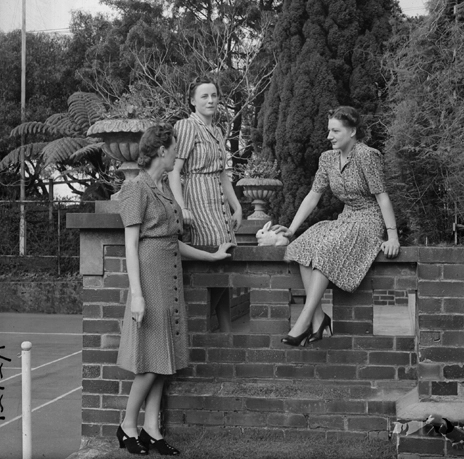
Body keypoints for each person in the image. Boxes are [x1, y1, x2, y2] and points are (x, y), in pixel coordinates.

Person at [116, 123, 233, 455]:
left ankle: (152, 429)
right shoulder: (136, 188)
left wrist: (211, 257)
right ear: (162, 150)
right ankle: (127, 425)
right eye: (175, 148)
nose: (178, 154)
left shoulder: (164, 189)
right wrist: (137, 294)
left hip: (170, 280)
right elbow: (131, 245)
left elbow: (172, 242)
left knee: (163, 359)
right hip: (150, 282)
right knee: (151, 361)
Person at [272, 106, 400, 347]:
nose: (329, 135)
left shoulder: (367, 155)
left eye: (335, 130)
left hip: (369, 220)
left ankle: (304, 321)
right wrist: (291, 228)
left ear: (352, 131)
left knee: (328, 249)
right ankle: (319, 318)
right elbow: (313, 195)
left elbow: (382, 197)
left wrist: (392, 236)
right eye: (328, 130)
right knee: (303, 245)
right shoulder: (328, 159)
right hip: (347, 218)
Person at [168, 76, 242, 332]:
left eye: (214, 95)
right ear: (192, 101)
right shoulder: (187, 127)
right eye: (204, 96)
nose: (210, 100)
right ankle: (197, 330)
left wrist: (238, 207)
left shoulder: (218, 131)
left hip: (219, 205)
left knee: (224, 265)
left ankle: (226, 332)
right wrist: (181, 207)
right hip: (197, 203)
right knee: (212, 264)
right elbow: (174, 170)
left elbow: (223, 174)